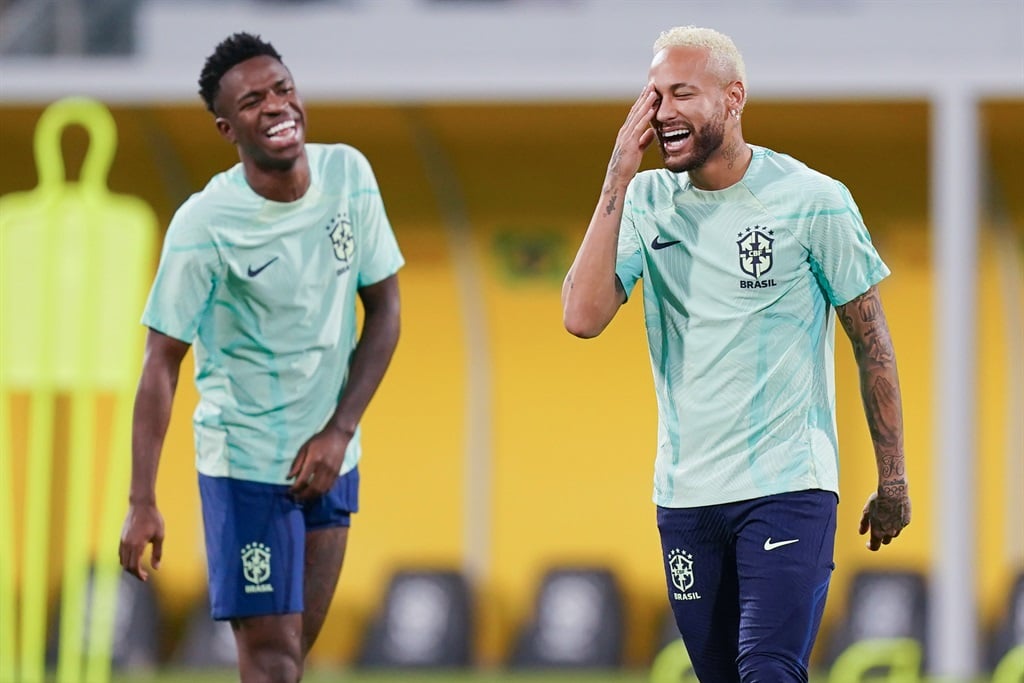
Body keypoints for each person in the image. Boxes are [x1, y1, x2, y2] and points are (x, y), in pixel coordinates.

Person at [562, 26, 910, 682]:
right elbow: (581, 316)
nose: (661, 111)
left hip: (787, 487)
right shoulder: (645, 201)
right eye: (653, 95)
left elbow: (873, 345)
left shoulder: (814, 201)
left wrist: (893, 479)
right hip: (686, 495)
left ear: (733, 98)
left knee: (768, 670)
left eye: (682, 93)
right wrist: (617, 173)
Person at [118, 32, 403, 683]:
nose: (277, 106)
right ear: (227, 127)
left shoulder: (349, 176)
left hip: (331, 463)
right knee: (273, 661)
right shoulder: (204, 224)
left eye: (283, 88)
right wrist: (142, 499)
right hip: (245, 465)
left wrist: (339, 431)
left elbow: (385, 310)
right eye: (253, 101)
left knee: (291, 658)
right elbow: (160, 362)